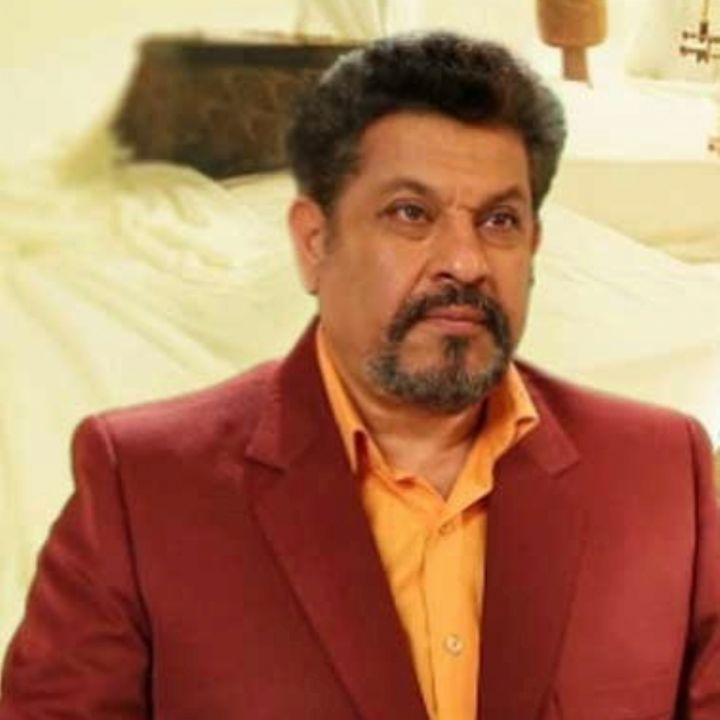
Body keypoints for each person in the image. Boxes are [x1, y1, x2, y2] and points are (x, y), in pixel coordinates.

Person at [1, 31, 718, 720]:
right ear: (315, 243)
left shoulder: (660, 474)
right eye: (411, 213)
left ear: (533, 246)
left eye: (499, 221)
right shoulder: (144, 488)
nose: (465, 262)